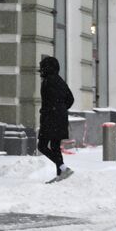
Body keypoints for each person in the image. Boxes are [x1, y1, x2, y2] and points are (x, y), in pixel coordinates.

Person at [38, 55, 75, 183]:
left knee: (42, 146)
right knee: (55, 146)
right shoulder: (60, 81)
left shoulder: (47, 82)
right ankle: (61, 174)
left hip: (50, 118)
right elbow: (70, 99)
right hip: (60, 118)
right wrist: (62, 109)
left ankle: (63, 168)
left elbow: (47, 102)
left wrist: (51, 110)